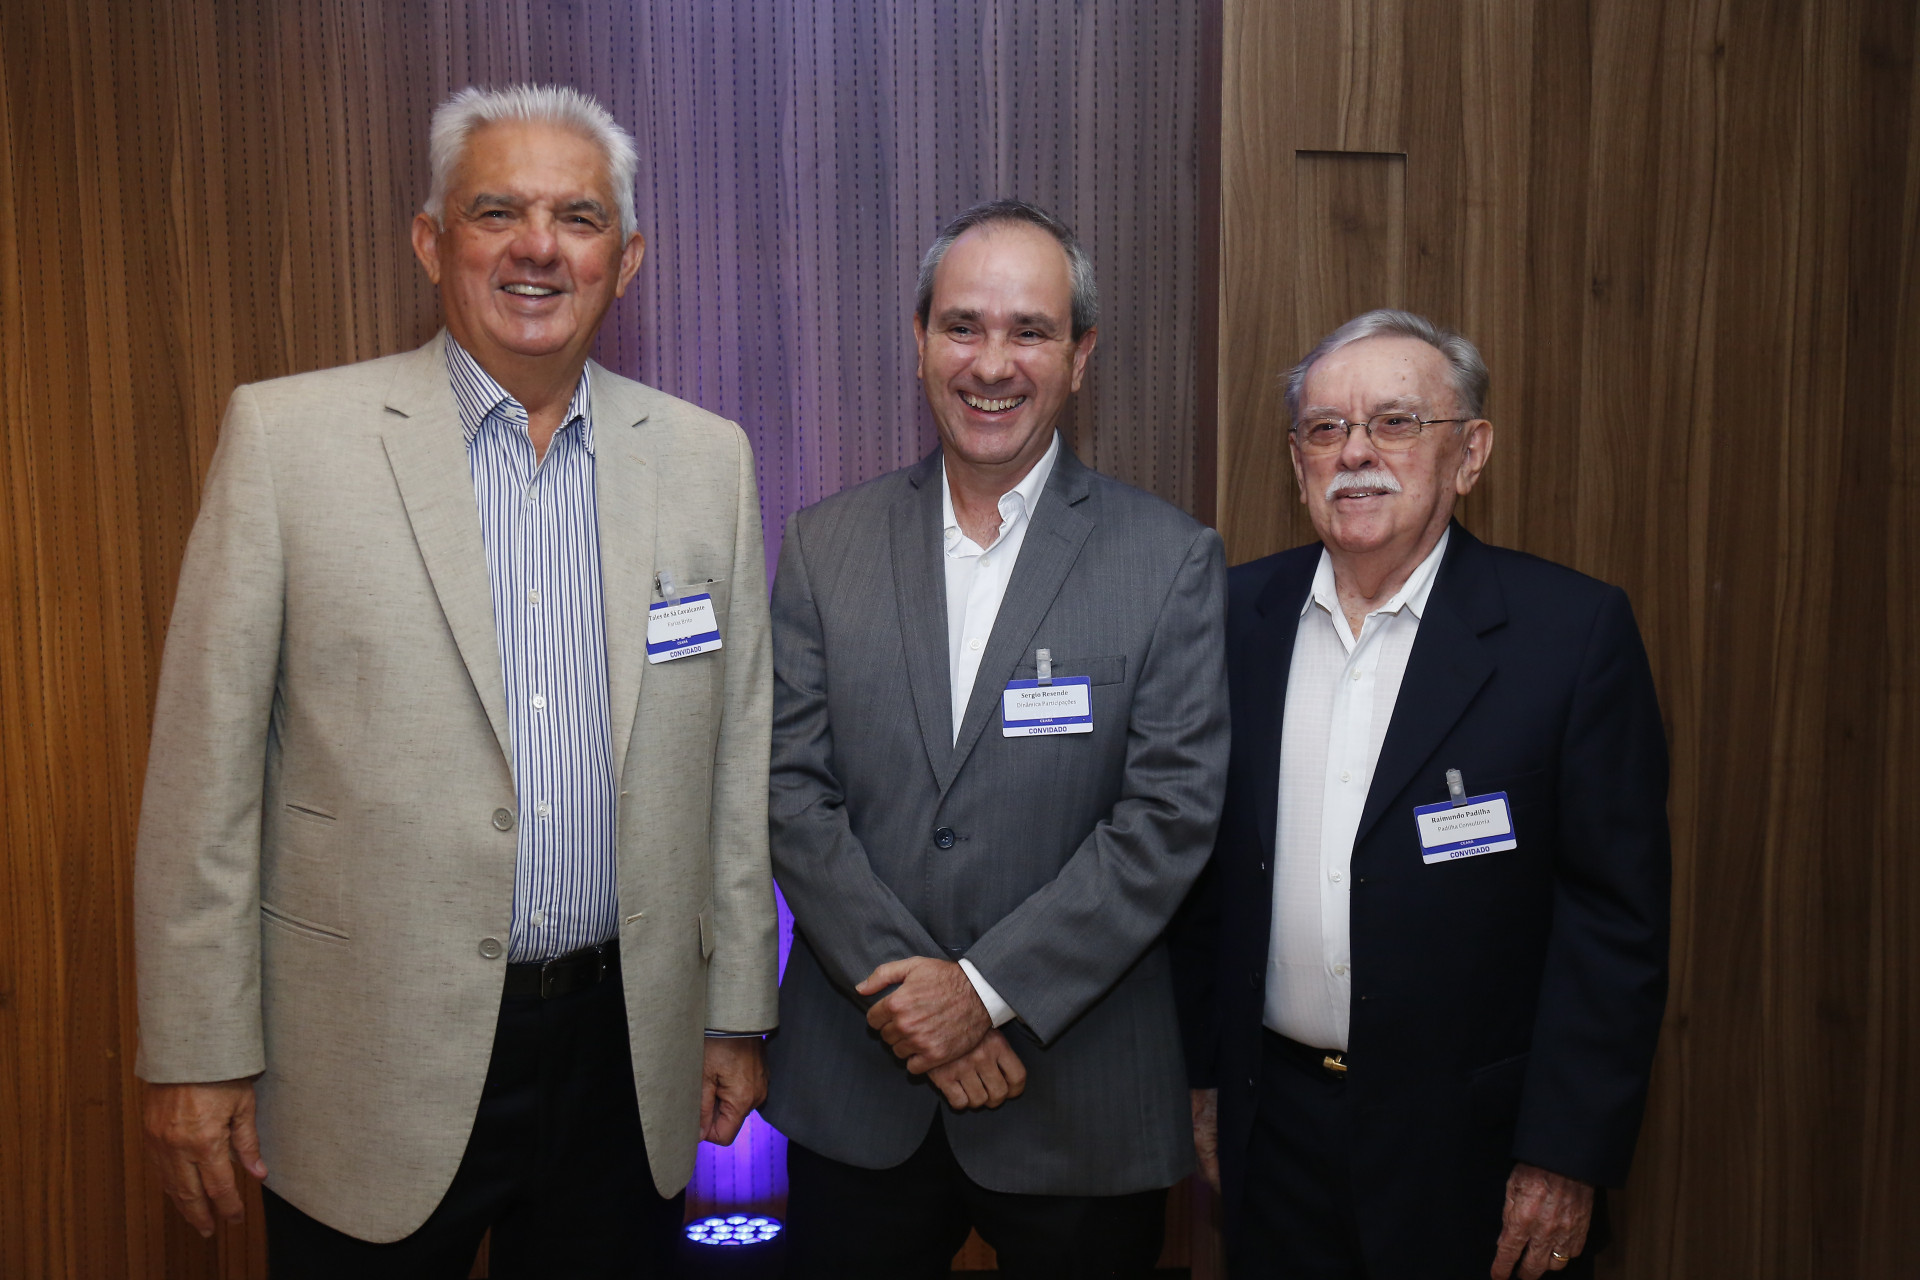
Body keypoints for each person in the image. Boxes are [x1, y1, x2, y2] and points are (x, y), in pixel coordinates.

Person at [133, 84, 778, 1277]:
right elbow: (202, 780)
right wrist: (194, 1050)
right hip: (364, 1059)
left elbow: (735, 765)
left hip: (621, 1054)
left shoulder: (705, 460)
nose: (539, 245)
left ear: (626, 260)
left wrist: (734, 1010)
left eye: (578, 217)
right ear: (432, 240)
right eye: (498, 210)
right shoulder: (288, 441)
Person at [762, 199, 1230, 1279]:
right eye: (964, 325)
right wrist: (912, 995)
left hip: (1077, 1092)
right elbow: (790, 788)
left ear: (1080, 356)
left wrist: (980, 992)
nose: (993, 361)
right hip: (858, 1091)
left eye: (1030, 330)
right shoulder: (825, 543)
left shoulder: (1169, 559)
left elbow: (1168, 818)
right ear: (921, 340)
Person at [1177, 309, 1670, 1279]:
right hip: (1274, 1129)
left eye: (1396, 423)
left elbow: (1614, 924)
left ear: (1471, 452)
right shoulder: (1231, 617)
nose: (1356, 452)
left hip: (1475, 1151)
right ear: (1297, 457)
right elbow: (1197, 873)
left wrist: (1565, 1151)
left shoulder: (1568, 636)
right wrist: (1202, 1074)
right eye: (1326, 428)